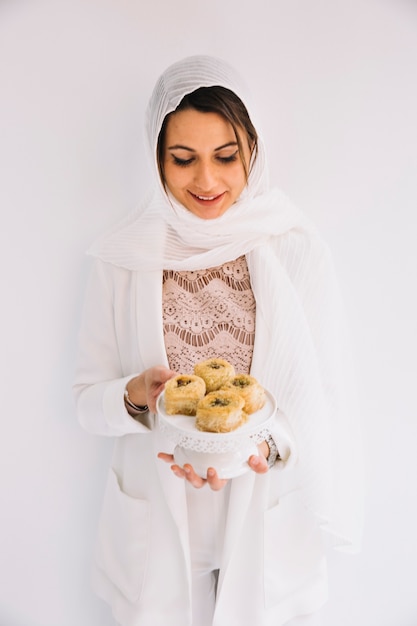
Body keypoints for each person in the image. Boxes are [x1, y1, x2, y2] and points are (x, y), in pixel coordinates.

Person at [73, 55, 363, 626]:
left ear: (252, 149)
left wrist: (264, 447)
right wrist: (133, 396)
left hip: (263, 518)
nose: (206, 182)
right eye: (183, 159)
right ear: (156, 159)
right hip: (155, 520)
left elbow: (321, 397)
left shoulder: (293, 248)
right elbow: (86, 401)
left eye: (226, 157)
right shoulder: (121, 259)